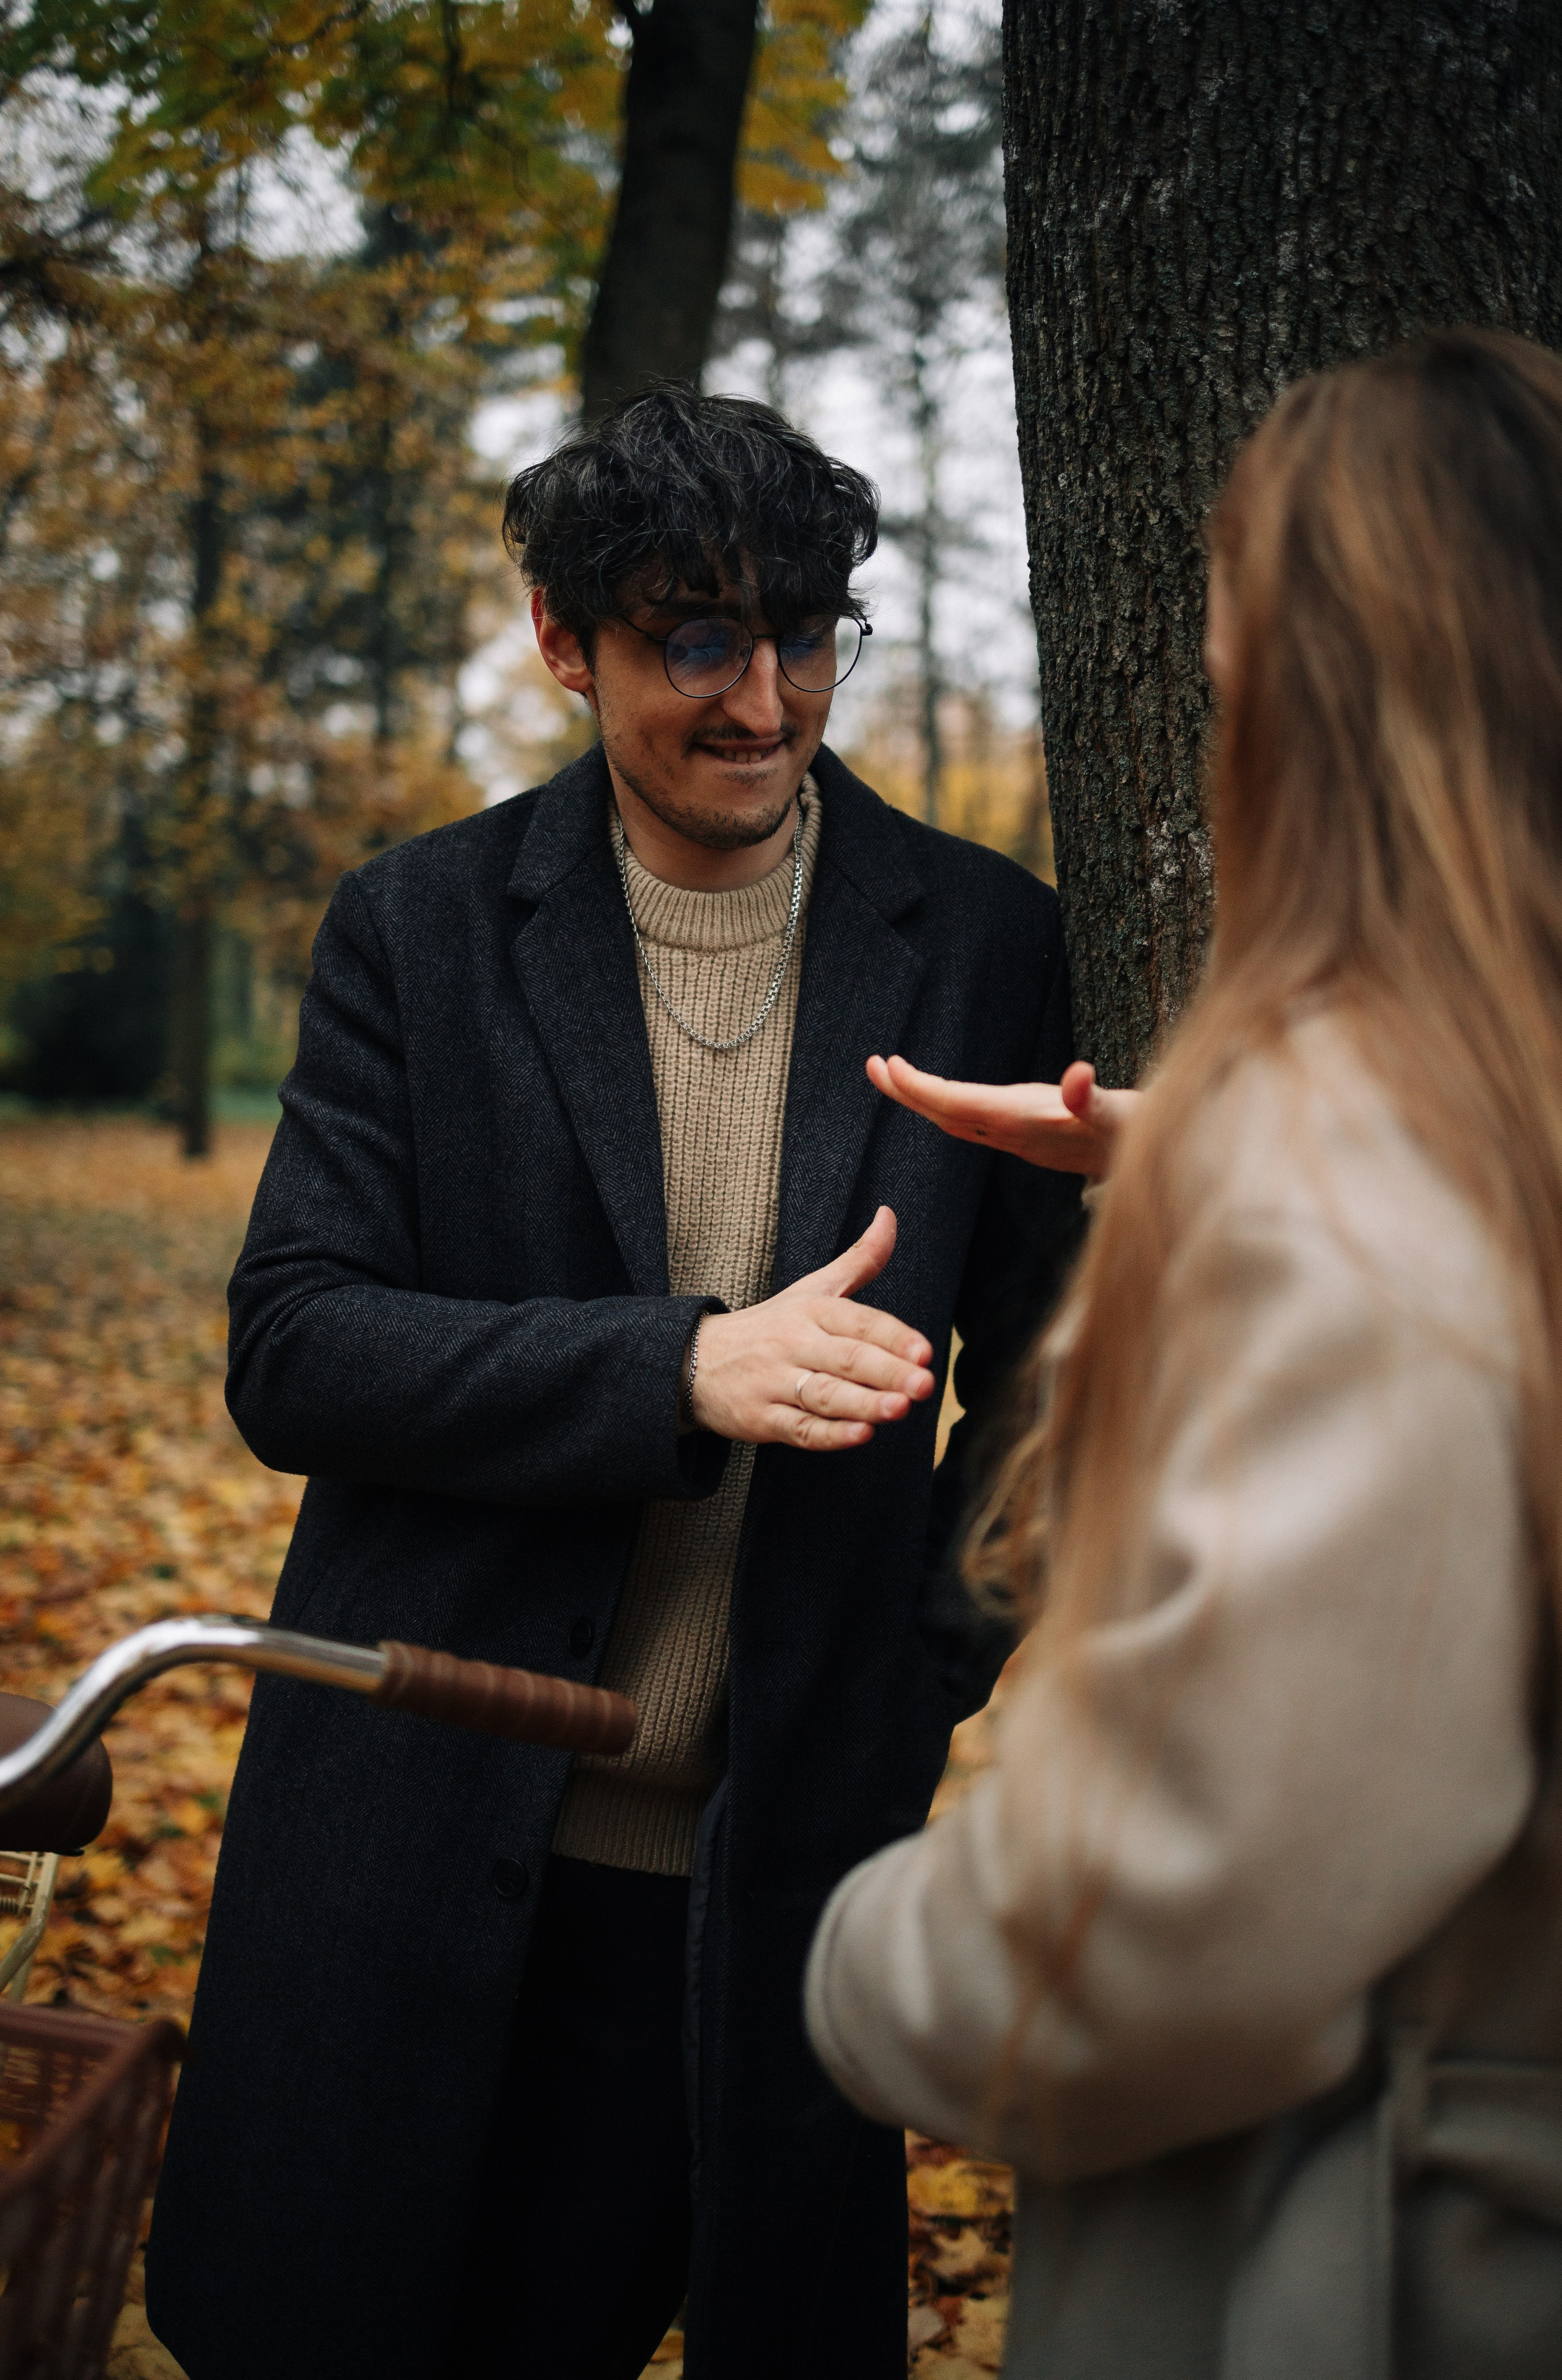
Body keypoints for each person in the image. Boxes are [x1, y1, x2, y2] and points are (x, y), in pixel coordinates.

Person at [143, 385, 1084, 2380]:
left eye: (807, 635)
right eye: (697, 638)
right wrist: (681, 1366)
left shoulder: (993, 943)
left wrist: (919, 1661)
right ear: (567, 643)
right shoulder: (416, 927)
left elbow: (1070, 1387)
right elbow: (295, 1341)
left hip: (763, 1895)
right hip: (402, 1840)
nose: (764, 699)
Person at [805, 327, 1562, 2379]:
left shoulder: (1363, 1182)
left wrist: (872, 1955)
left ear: (1319, 712)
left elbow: (1178, 1923)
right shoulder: (1482, 1151)